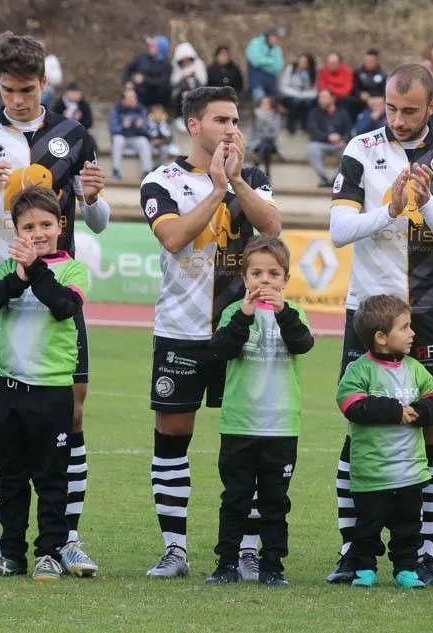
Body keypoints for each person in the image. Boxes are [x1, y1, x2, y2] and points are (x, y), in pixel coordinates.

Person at [0, 31, 109, 578]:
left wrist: (95, 198)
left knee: (72, 414)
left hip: (58, 296)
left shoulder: (73, 136)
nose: (16, 100)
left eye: (26, 90)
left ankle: (67, 538)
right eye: (7, 90)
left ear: (43, 83)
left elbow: (99, 222)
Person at [327, 62, 433, 587]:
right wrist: (391, 208)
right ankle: (353, 549)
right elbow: (340, 230)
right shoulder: (361, 149)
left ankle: (424, 551)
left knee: (430, 426)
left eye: (410, 110)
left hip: (430, 313)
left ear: (432, 107)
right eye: (391, 107)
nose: (398, 119)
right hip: (369, 309)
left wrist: (426, 197)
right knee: (360, 425)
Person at [139, 85, 281, 579]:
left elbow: (272, 228)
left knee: (245, 442)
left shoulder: (254, 178)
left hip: (238, 331)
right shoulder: (161, 180)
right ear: (194, 126)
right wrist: (217, 189)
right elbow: (175, 239)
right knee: (173, 433)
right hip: (180, 331)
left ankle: (244, 548)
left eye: (236, 120)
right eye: (222, 120)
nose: (233, 129)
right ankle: (175, 548)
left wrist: (236, 183)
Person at [0, 186, 90, 582]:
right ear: (16, 232)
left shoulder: (72, 270)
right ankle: (12, 553)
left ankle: (50, 552)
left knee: (52, 478)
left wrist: (34, 269)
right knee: (12, 477)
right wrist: (18, 275)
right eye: (28, 226)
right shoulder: (7, 269)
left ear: (60, 226)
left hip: (53, 392)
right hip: (10, 390)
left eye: (46, 224)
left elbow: (63, 307)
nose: (38, 232)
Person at [205, 236, 314, 587]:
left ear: (285, 279)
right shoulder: (234, 312)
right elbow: (222, 349)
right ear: (244, 277)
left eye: (273, 274)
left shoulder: (293, 312)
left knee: (274, 501)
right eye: (256, 273)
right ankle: (226, 563)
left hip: (280, 426)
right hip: (239, 423)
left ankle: (272, 566)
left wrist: (282, 312)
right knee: (234, 498)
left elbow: (302, 343)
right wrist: (245, 315)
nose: (264, 281)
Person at [335, 294, 433, 589]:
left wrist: (421, 412)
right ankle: (364, 568)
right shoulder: (360, 369)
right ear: (381, 338)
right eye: (405, 327)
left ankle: (406, 569)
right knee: (368, 526)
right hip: (372, 473)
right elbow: (351, 404)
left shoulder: (415, 368)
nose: (412, 333)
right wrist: (397, 412)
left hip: (410, 472)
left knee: (408, 526)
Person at [305, 89, 352, 187]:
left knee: (349, 151)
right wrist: (328, 137)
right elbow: (312, 130)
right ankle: (323, 177)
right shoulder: (314, 112)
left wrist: (343, 140)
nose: (321, 100)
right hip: (321, 143)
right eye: (320, 97)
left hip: (339, 144)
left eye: (324, 97)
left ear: (333, 98)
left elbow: (349, 130)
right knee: (312, 148)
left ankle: (337, 178)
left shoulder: (343, 113)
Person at [108, 87, 154, 181]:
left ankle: (147, 171)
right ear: (123, 100)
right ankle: (115, 170)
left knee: (143, 141)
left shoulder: (141, 109)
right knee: (117, 140)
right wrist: (123, 126)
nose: (133, 100)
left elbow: (148, 131)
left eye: (134, 98)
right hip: (122, 137)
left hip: (135, 137)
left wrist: (141, 127)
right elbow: (113, 130)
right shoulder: (115, 109)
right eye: (130, 98)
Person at [123, 36, 172, 109]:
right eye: (150, 45)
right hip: (140, 94)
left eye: (153, 46)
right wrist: (127, 81)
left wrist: (144, 80)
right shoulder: (142, 58)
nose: (150, 47)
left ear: (161, 48)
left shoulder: (166, 64)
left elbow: (163, 82)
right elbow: (128, 68)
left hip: (158, 97)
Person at [278, 53, 318, 135]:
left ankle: (306, 125)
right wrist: (297, 94)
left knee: (308, 103)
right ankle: (291, 124)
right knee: (295, 102)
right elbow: (283, 87)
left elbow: (314, 89)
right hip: (290, 95)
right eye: (300, 61)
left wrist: (304, 94)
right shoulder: (290, 69)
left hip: (306, 95)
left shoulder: (312, 72)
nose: (302, 63)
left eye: (305, 62)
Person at [245, 27, 285, 103]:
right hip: (256, 82)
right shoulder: (255, 43)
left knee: (277, 100)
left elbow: (278, 67)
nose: (277, 40)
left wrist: (263, 63)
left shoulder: (277, 49)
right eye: (275, 37)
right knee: (261, 99)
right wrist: (271, 61)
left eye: (278, 38)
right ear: (269, 35)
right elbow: (257, 61)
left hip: (271, 82)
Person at [248, 95, 281, 177]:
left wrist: (267, 121)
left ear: (271, 105)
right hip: (256, 143)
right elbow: (251, 132)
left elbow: (275, 133)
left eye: (267, 103)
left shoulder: (275, 115)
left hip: (271, 142)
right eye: (263, 103)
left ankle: (255, 167)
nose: (265, 105)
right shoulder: (255, 115)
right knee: (265, 146)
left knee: (266, 145)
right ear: (259, 104)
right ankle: (267, 172)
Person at [351, 48, 387, 120]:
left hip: (376, 101)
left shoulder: (383, 75)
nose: (368, 63)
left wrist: (372, 97)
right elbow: (355, 88)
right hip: (360, 101)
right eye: (366, 61)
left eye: (371, 61)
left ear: (377, 61)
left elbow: (384, 91)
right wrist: (360, 94)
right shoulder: (357, 73)